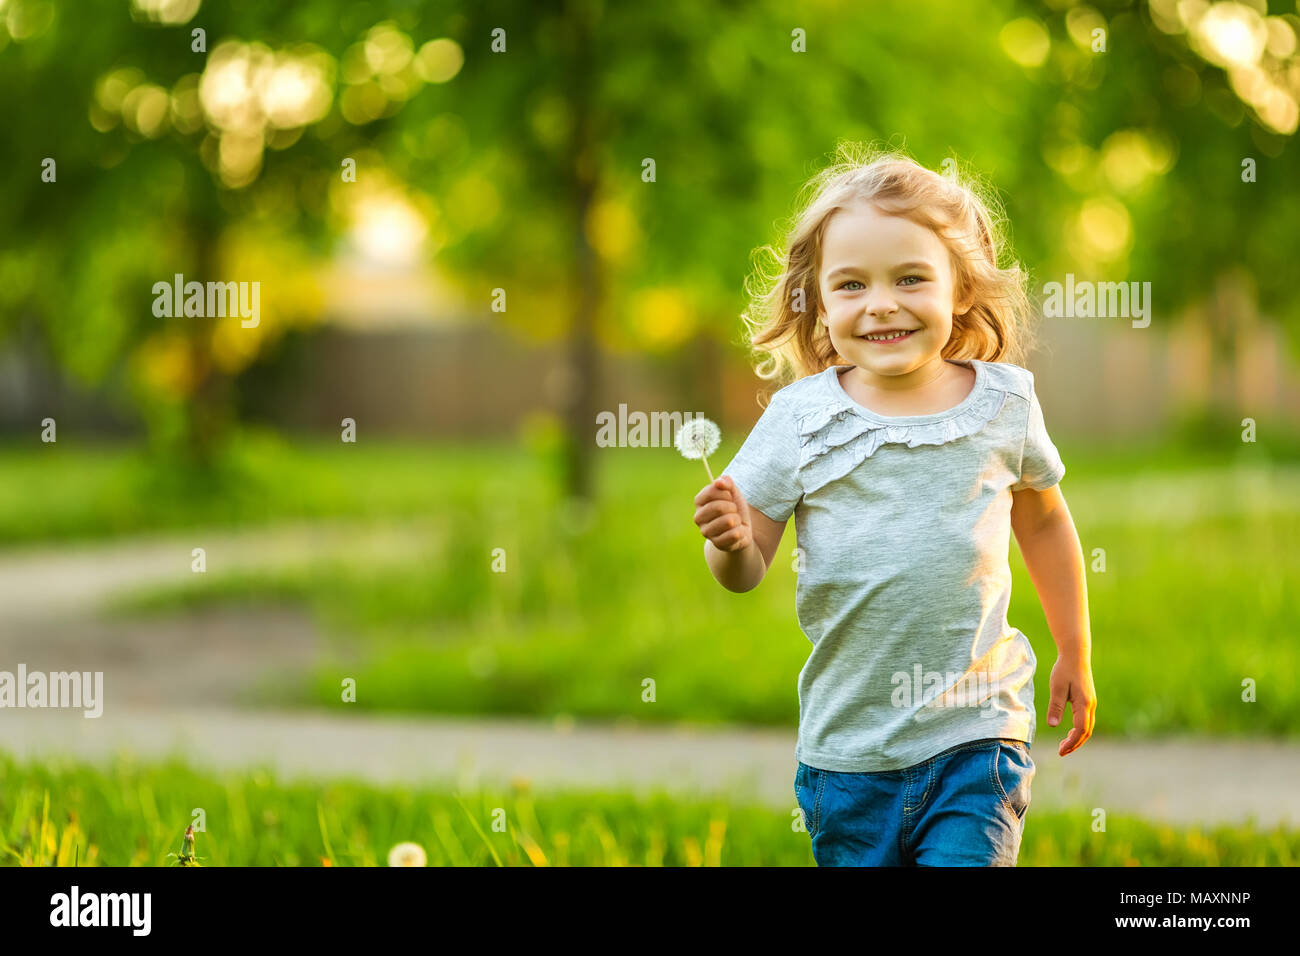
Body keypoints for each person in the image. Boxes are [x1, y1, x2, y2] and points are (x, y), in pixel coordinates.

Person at [694, 145, 1096, 866]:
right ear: (815, 301)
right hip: (849, 754)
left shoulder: (1004, 402)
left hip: (976, 737)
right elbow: (746, 568)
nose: (881, 303)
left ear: (960, 289)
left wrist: (1074, 647)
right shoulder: (799, 418)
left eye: (911, 278)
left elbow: (1043, 520)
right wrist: (729, 542)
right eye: (850, 285)